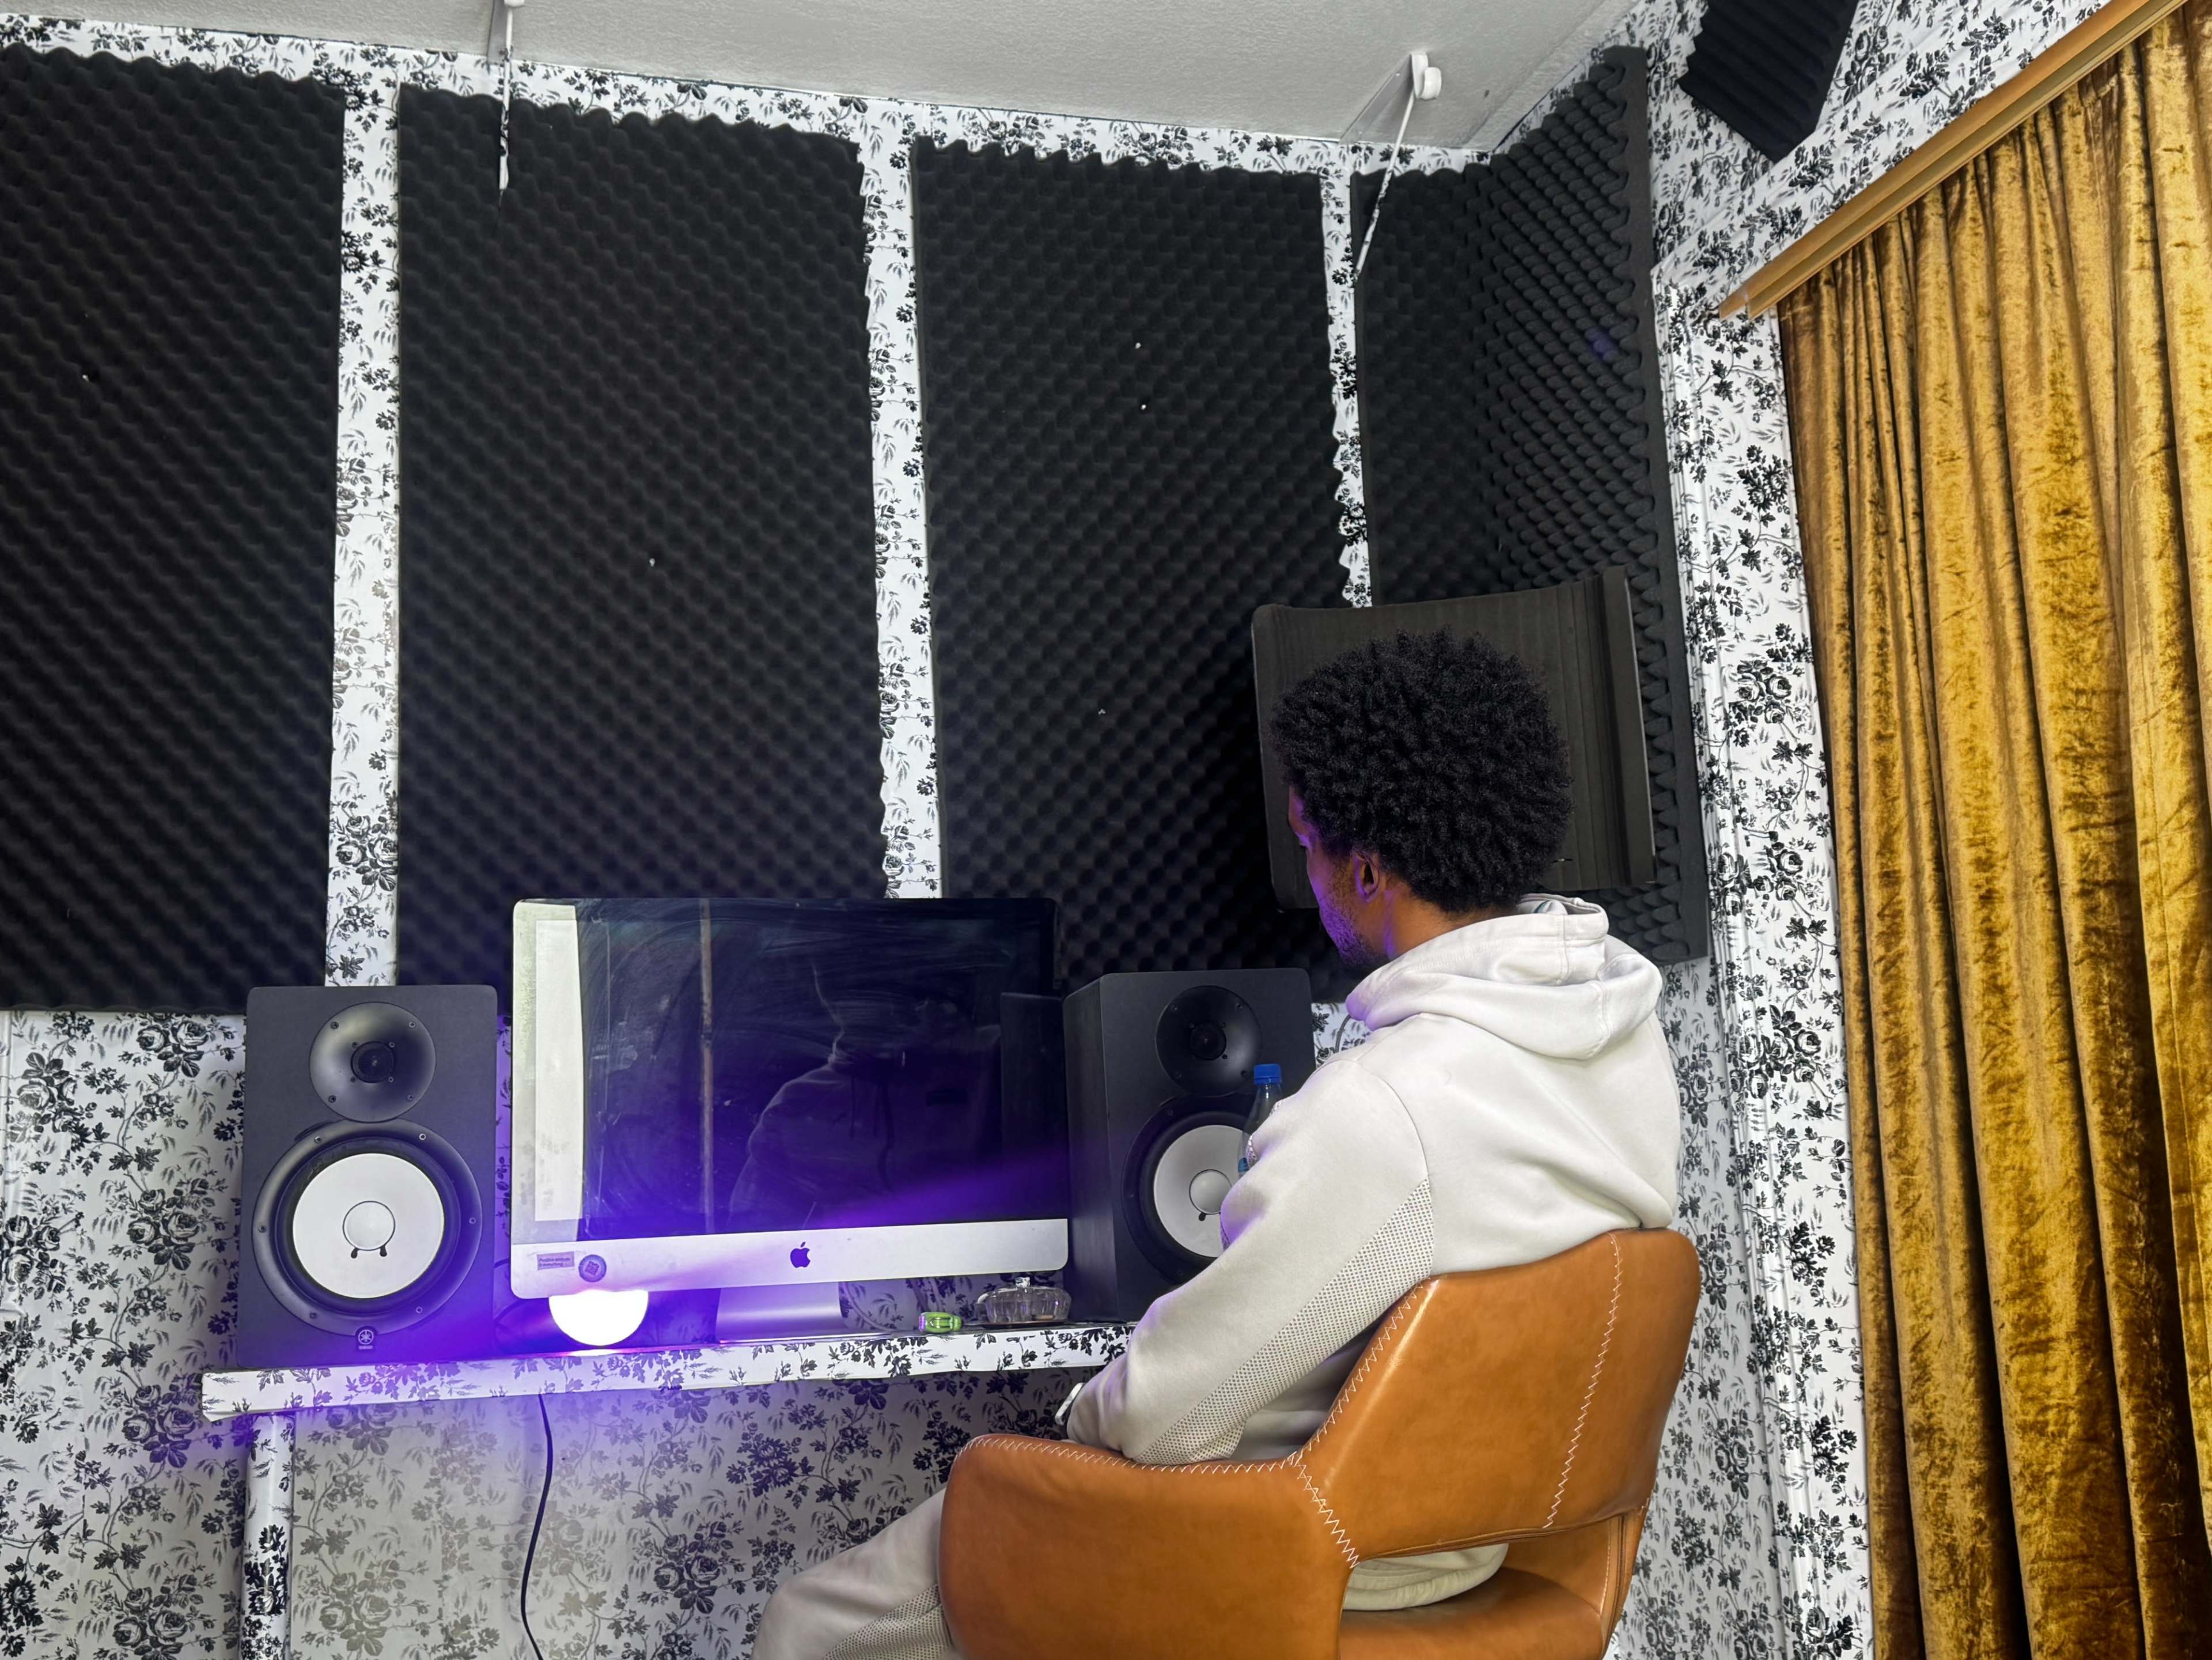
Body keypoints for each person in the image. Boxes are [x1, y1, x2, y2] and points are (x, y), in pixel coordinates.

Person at [753, 629, 1681, 1659]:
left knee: (811, 1620)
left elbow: (1159, 1417)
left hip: (1290, 1552)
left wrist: (1063, 1427)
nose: (1313, 878)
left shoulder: (1384, 1108)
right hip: (1479, 1553)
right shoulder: (1624, 1044)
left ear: (1367, 867)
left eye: (1311, 844)